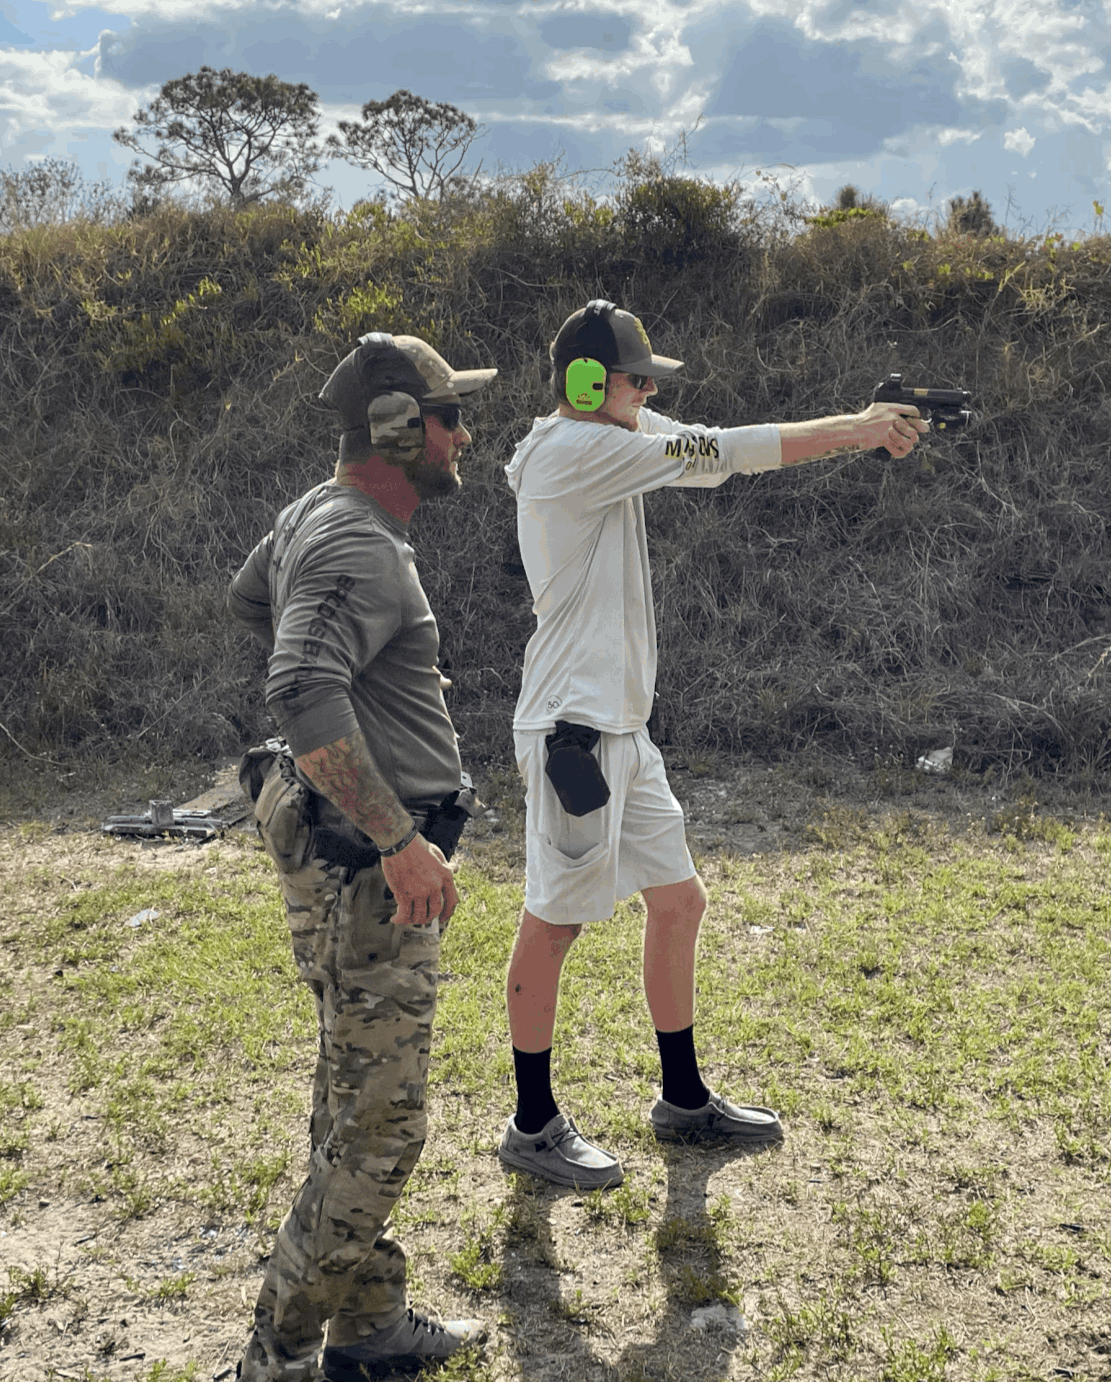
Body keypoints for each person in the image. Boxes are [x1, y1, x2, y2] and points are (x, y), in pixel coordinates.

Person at [495, 300, 930, 1189]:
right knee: (556, 918)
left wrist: (853, 427)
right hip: (574, 734)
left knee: (679, 901)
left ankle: (682, 1099)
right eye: (637, 377)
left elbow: (713, 450)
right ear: (585, 382)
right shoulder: (574, 451)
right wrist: (855, 428)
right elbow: (726, 448)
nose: (651, 390)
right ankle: (531, 1124)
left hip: (621, 726)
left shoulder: (611, 431)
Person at [227, 331, 495, 1381]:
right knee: (381, 1125)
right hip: (368, 871)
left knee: (354, 1098)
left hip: (345, 860)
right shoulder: (355, 542)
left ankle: (368, 1324)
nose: (463, 435)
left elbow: (254, 603)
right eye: (448, 415)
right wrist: (397, 837)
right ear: (397, 427)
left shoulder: (318, 516)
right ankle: (278, 1354)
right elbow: (298, 688)